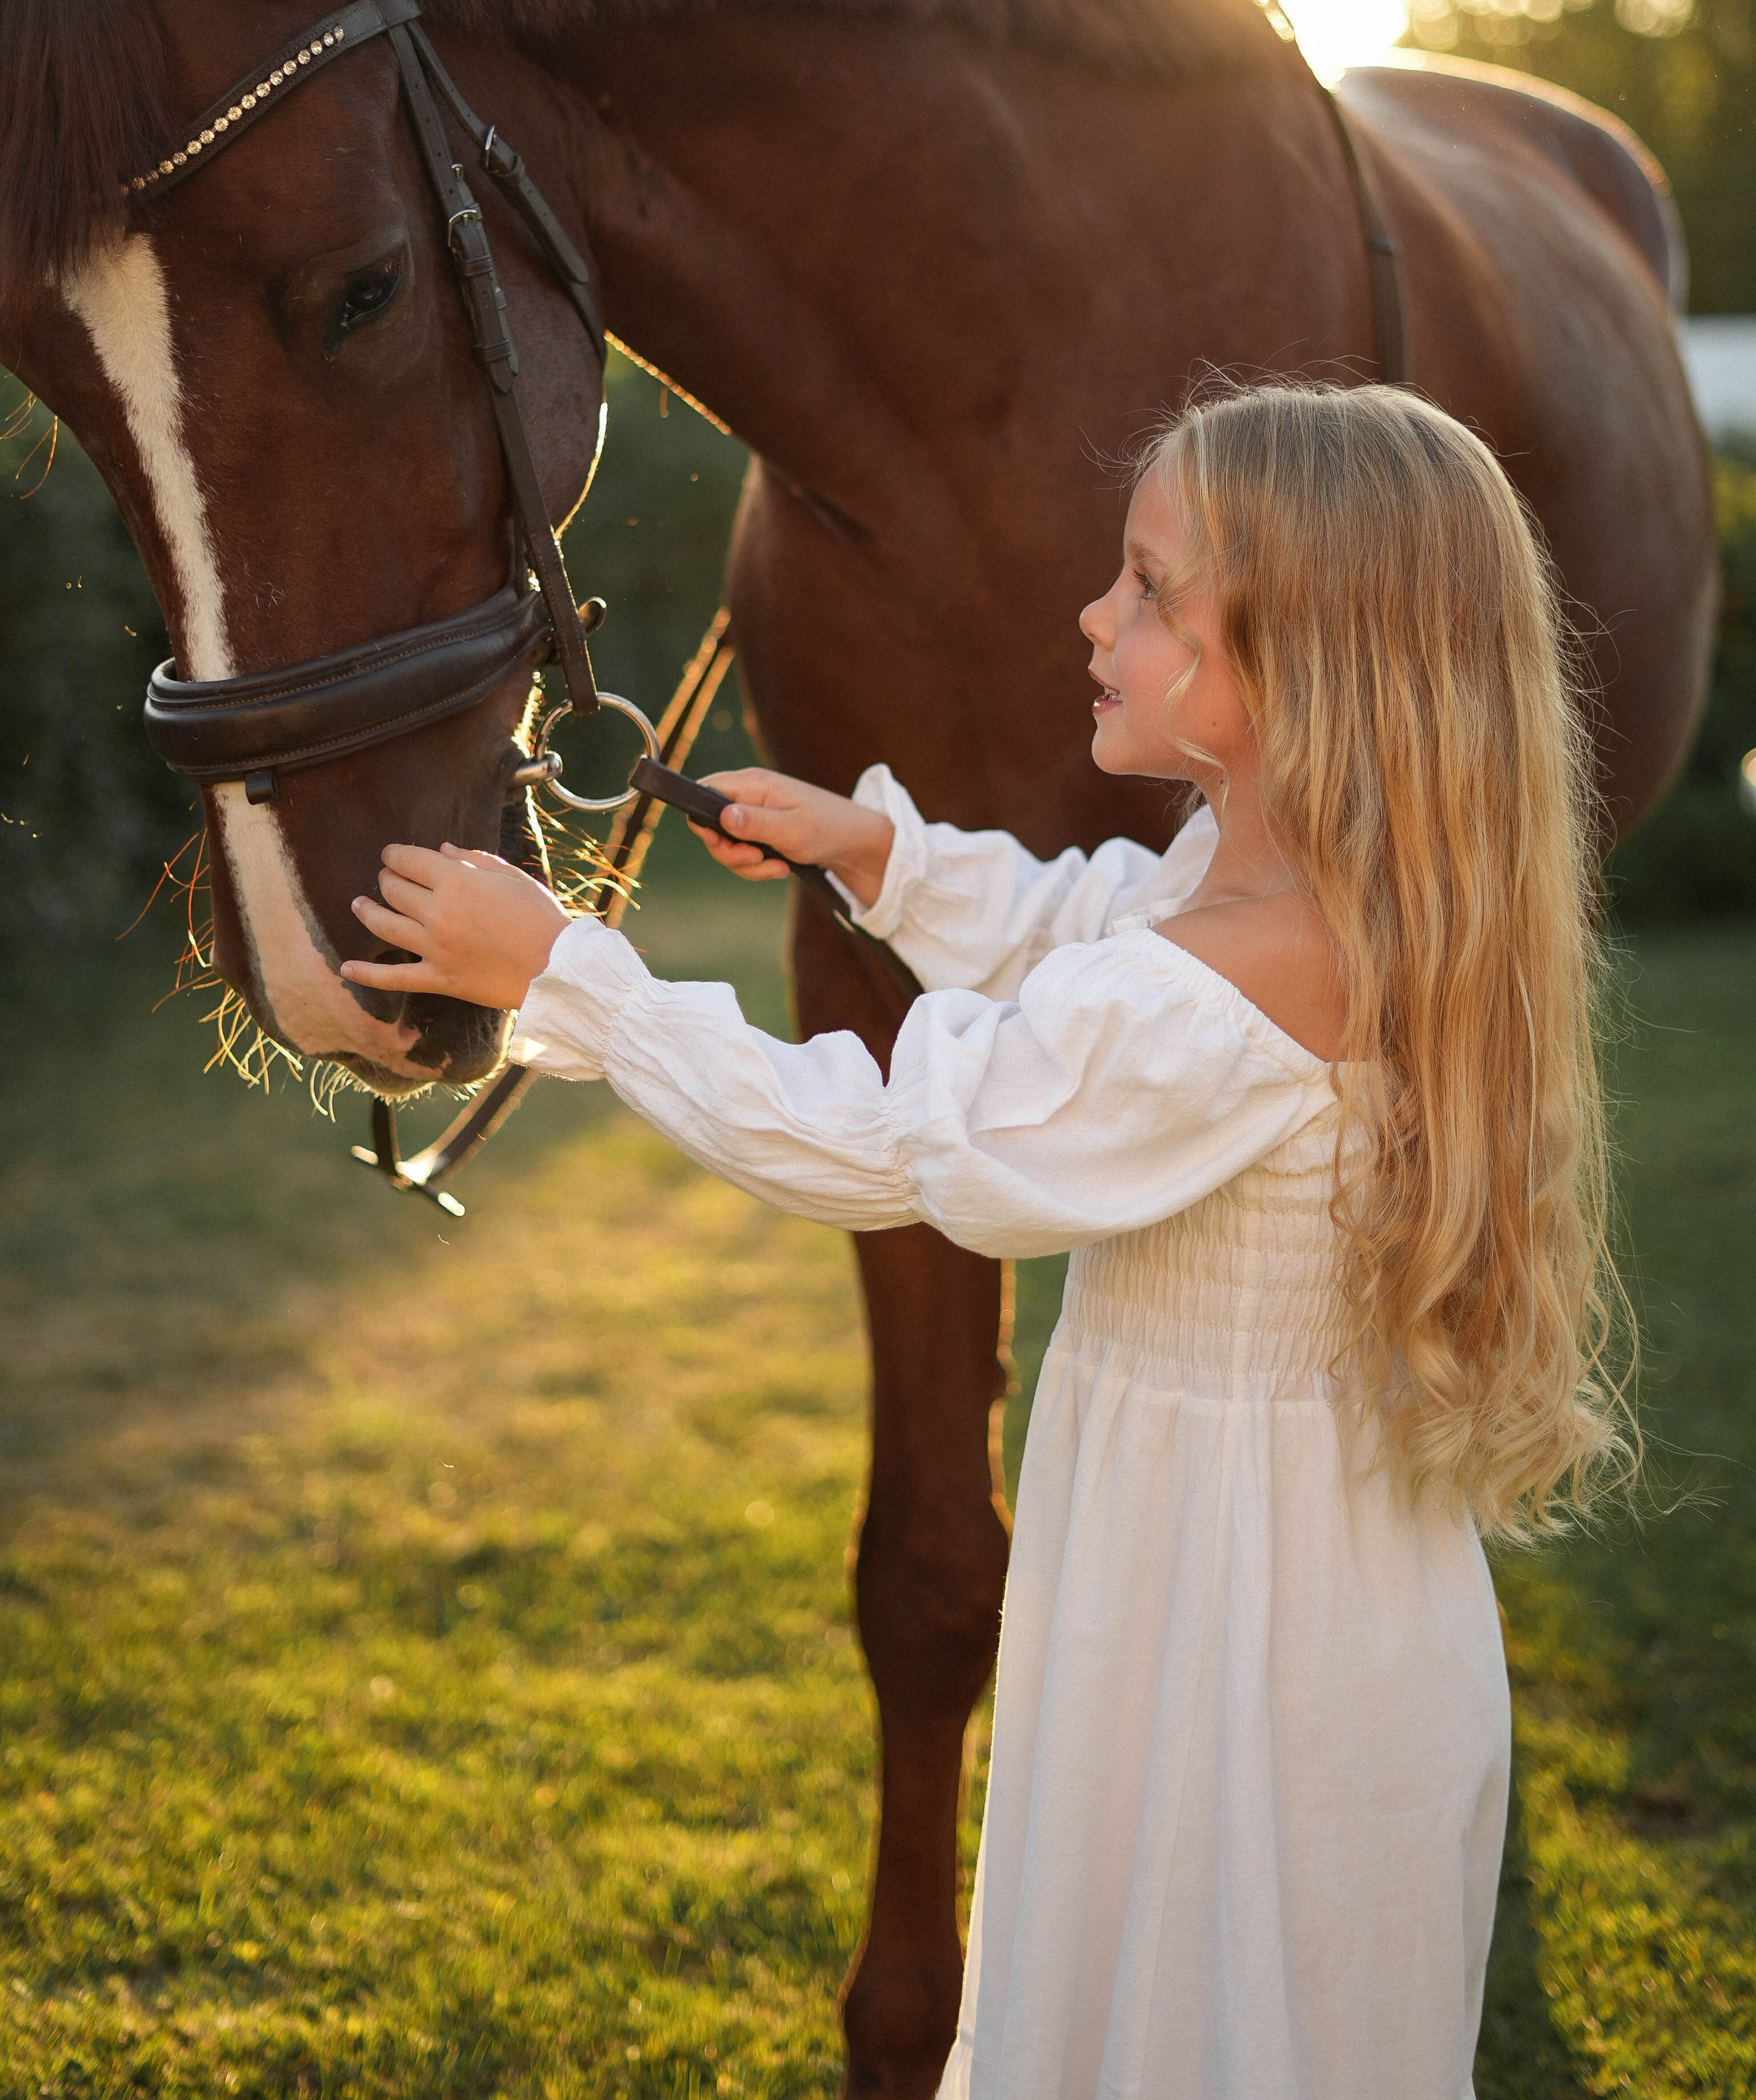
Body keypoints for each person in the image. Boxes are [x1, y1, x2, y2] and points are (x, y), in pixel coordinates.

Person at [342, 381, 1627, 2100]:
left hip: (1246, 1659)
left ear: (1304, 651)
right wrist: (880, 853)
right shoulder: (1271, 884)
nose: (1093, 617)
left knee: (1225, 2025)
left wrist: (572, 977)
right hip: (1224, 1591)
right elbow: (1079, 927)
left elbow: (892, 1142)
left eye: (1149, 589)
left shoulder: (1256, 969)